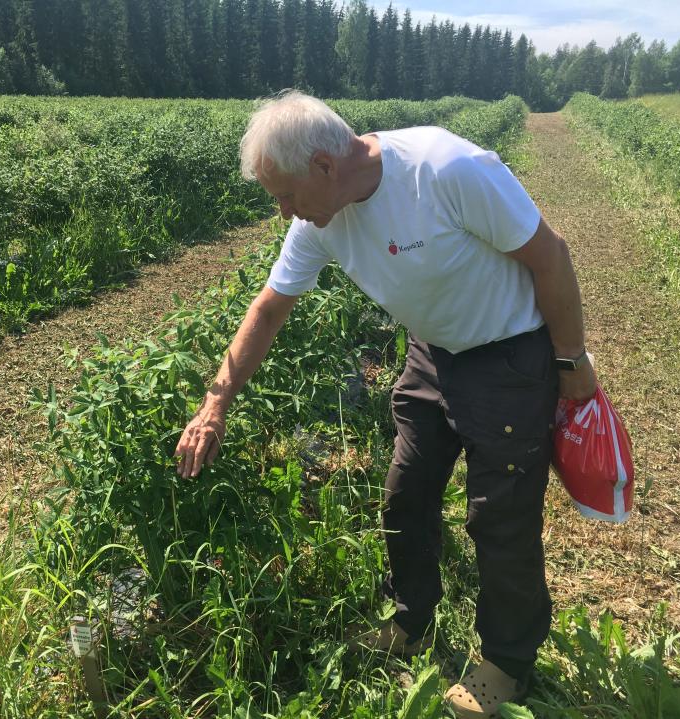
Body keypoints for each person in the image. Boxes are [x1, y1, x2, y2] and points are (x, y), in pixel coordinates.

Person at [174, 90, 596, 718]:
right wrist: (214, 404)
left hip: (508, 352)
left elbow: (550, 256)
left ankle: (507, 664)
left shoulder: (445, 170)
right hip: (433, 352)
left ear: (324, 165)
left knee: (499, 517)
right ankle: (410, 618)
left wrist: (570, 361)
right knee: (406, 493)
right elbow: (267, 309)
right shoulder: (320, 218)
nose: (283, 210)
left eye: (285, 194)